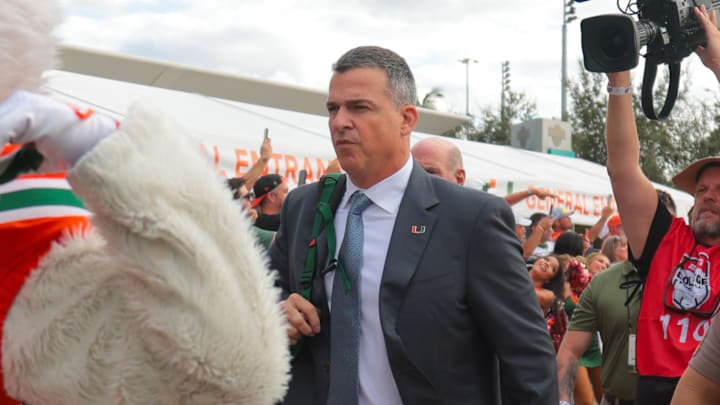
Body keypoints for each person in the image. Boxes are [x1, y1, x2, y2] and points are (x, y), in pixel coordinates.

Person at [272, 45, 557, 404]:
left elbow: (527, 357)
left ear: (406, 119)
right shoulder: (303, 207)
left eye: (359, 107)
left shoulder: (472, 219)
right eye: (333, 109)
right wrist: (277, 311)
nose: (340, 122)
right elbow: (268, 289)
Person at [604, 5, 720, 403]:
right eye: (703, 189)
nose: (709, 196)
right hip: (654, 391)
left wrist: (718, 63)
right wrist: (619, 78)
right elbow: (622, 169)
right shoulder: (667, 239)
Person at [557, 260, 643, 405]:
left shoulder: (687, 277)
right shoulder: (604, 282)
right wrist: (562, 401)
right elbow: (570, 349)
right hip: (615, 398)